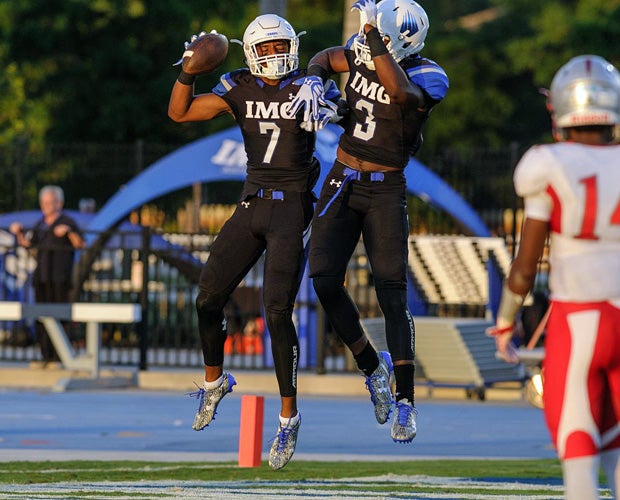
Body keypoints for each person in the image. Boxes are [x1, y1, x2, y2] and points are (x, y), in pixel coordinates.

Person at [168, 14, 340, 470]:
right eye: (265, 47)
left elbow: (338, 108)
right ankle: (214, 381)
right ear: (249, 52)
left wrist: (326, 98)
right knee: (207, 298)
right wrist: (188, 71)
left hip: (291, 207)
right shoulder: (237, 86)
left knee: (276, 311)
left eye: (281, 43)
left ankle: (288, 417)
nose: (274, 53)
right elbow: (179, 112)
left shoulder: (308, 81)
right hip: (252, 201)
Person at [290, 0, 448, 443]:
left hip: (385, 188)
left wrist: (375, 41)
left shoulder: (428, 75)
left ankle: (406, 401)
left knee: (391, 294)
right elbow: (326, 56)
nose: (366, 42)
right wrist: (317, 84)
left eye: (377, 37)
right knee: (322, 279)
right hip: (343, 177)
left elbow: (399, 94)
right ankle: (371, 366)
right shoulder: (366, 50)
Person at [487, 55, 620, 500]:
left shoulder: (548, 162)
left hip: (579, 318)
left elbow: (526, 267)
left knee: (578, 442)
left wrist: (505, 322)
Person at [9, 185, 85, 363]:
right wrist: (19, 234)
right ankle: (46, 355)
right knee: (42, 317)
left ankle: (61, 356)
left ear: (59, 203)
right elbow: (30, 247)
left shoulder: (68, 221)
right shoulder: (41, 224)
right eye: (44, 203)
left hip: (60, 278)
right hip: (42, 277)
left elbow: (80, 244)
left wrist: (69, 232)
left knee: (61, 316)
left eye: (50, 203)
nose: (46, 206)